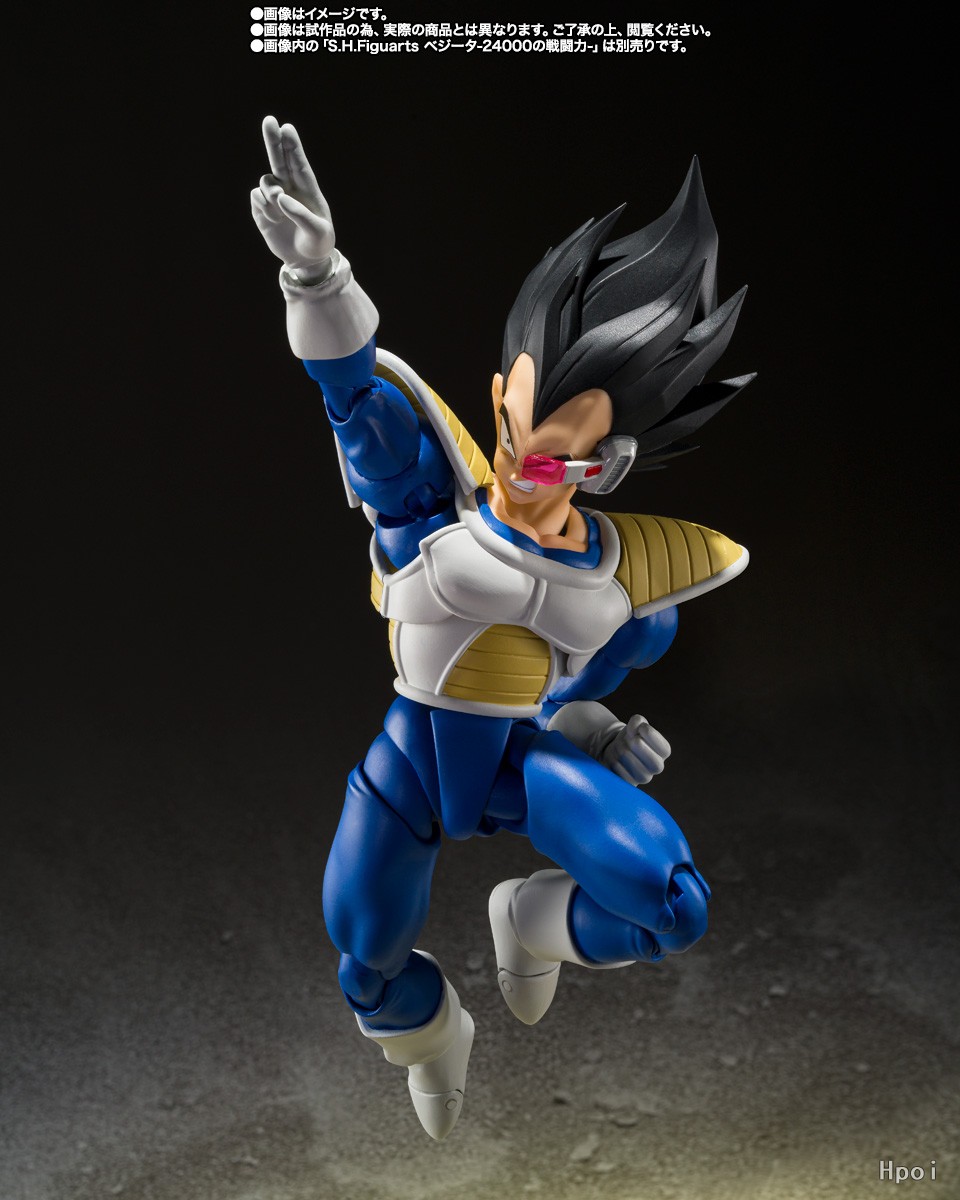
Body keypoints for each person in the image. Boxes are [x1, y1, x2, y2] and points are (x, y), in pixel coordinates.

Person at [251, 115, 753, 1140]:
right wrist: (318, 276)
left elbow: (574, 680)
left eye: (566, 457)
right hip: (410, 765)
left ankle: (534, 919)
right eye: (522, 435)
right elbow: (353, 398)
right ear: (498, 402)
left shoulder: (620, 578)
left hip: (522, 770)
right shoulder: (428, 511)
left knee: (674, 906)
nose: (532, 471)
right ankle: (432, 1037)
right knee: (364, 960)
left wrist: (599, 734)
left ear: (611, 466)